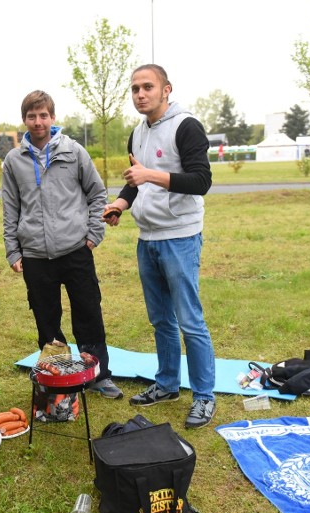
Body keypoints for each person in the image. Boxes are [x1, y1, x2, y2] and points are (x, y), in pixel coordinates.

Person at [103, 64, 216, 428]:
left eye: (147, 87)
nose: (140, 94)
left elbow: (201, 181)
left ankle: (203, 396)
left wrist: (150, 174)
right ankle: (167, 384)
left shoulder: (187, 126)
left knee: (190, 321)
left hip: (180, 236)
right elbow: (136, 183)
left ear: (166, 90)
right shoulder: (136, 134)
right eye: (134, 88)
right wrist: (120, 204)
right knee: (161, 320)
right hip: (147, 239)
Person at [2, 90, 122, 400]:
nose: (38, 121)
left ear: (53, 118)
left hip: (75, 250)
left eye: (43, 115)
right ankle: (59, 381)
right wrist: (13, 250)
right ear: (24, 120)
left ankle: (98, 375)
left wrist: (94, 234)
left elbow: (97, 194)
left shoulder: (74, 152)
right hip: (35, 256)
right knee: (46, 320)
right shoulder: (14, 161)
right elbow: (10, 208)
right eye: (32, 116)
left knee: (88, 314)